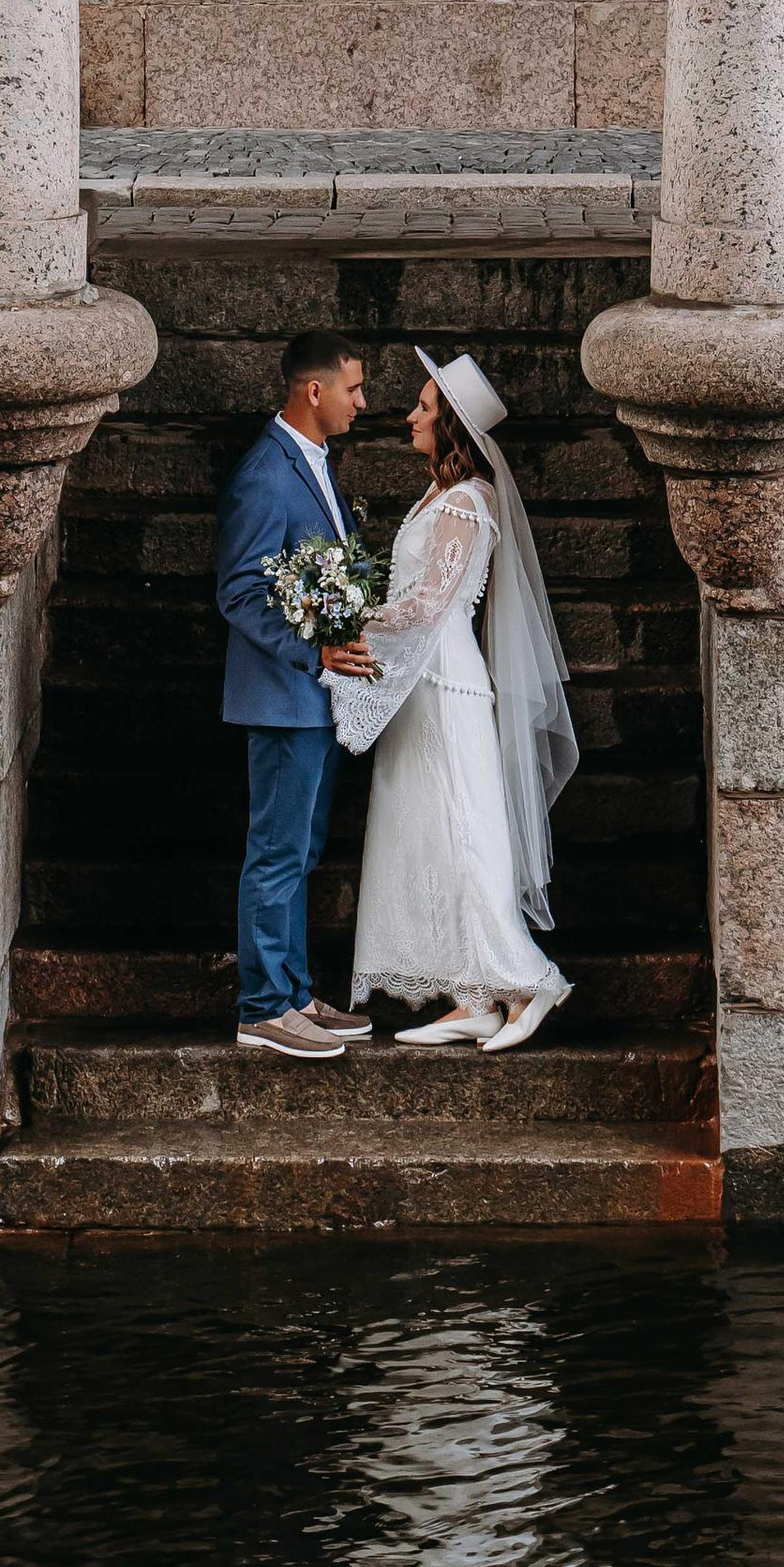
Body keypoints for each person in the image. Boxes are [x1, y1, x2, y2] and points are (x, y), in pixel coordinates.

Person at [333, 349, 579, 1052]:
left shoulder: (469, 500)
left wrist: (348, 623)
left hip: (444, 684)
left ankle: (527, 983)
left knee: (464, 831)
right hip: (421, 683)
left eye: (424, 407)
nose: (410, 417)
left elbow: (430, 601)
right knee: (430, 835)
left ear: (451, 426)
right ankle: (471, 999)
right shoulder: (438, 495)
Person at [213, 329, 377, 1059]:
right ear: (316, 390)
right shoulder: (264, 473)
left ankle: (295, 992)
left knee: (302, 853)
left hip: (315, 697)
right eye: (354, 388)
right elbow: (240, 592)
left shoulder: (314, 462)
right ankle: (262, 1008)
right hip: (282, 695)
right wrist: (314, 652)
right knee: (277, 854)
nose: (361, 402)